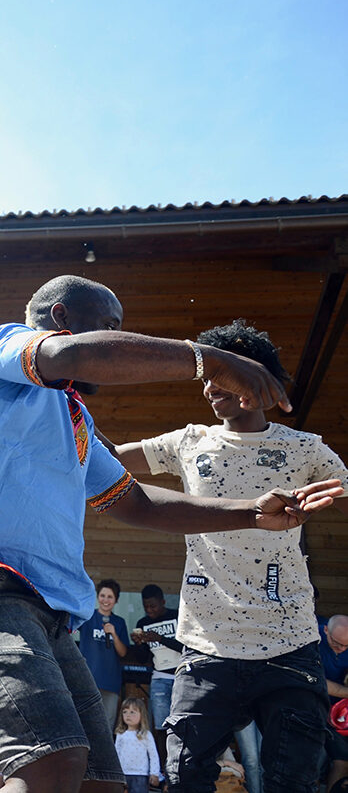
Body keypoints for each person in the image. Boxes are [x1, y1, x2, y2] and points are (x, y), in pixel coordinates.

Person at [0, 275, 342, 793]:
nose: (117, 338)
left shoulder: (77, 421)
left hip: (46, 611)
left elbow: (136, 501)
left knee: (98, 783)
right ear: (61, 318)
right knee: (51, 768)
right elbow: (65, 357)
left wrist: (250, 512)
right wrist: (212, 359)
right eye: (108, 327)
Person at [113, 319, 348, 793]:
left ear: (256, 381)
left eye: (221, 374)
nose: (208, 386)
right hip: (207, 648)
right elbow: (106, 459)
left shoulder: (303, 448)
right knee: (184, 779)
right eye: (206, 374)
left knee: (294, 781)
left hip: (290, 645)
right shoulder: (189, 441)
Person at [129, 585, 182, 746]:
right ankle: (164, 766)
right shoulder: (143, 623)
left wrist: (160, 639)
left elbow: (185, 647)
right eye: (146, 607)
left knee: (182, 723)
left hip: (181, 677)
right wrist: (138, 644)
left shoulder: (177, 616)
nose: (149, 610)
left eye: (153, 606)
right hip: (160, 678)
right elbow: (143, 659)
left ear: (163, 602)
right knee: (161, 725)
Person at [78, 579, 129, 729]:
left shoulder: (119, 622)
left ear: (116, 600)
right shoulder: (87, 617)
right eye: (102, 596)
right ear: (97, 597)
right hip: (87, 680)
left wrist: (113, 634)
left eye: (110, 597)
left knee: (106, 724)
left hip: (110, 682)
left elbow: (123, 652)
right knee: (85, 722)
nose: (105, 600)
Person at [321, 614, 348, 790]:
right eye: (337, 643)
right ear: (325, 631)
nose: (341, 649)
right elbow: (318, 682)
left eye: (346, 645)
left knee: (342, 759)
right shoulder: (311, 642)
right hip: (312, 709)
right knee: (311, 761)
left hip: (340, 715)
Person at [113, 698, 161, 793]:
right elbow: (116, 754)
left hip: (141, 775)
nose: (128, 715)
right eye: (125, 712)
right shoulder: (120, 734)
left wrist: (154, 773)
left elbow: (153, 755)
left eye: (132, 712)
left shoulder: (145, 734)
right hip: (123, 774)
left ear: (141, 715)